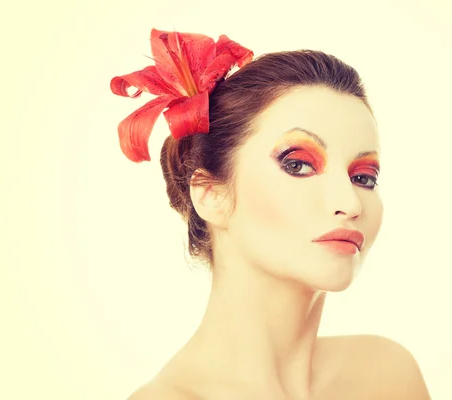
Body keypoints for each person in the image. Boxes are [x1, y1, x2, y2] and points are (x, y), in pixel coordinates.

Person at [111, 28, 430, 400]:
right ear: (211, 195)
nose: (351, 203)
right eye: (298, 165)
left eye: (363, 177)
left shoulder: (386, 374)